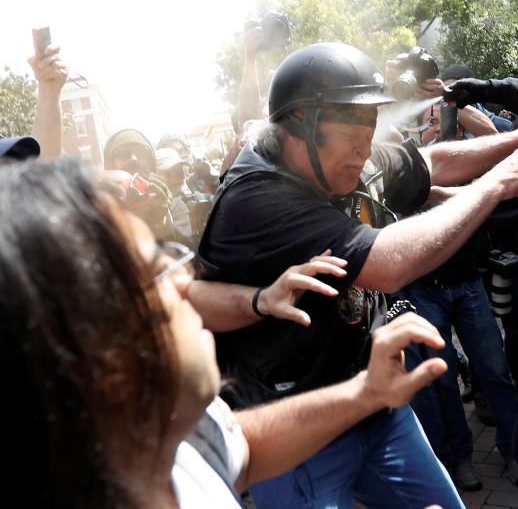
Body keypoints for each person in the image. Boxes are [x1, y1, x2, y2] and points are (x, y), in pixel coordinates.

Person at [195, 42, 518, 508]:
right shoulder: (257, 199)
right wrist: (497, 185)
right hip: (300, 430)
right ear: (303, 122)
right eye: (353, 128)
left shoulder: (340, 159)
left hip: (373, 401)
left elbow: (428, 164)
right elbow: (387, 264)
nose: (367, 144)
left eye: (370, 125)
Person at [0, 157, 450, 508]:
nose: (182, 279)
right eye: (150, 271)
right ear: (83, 353)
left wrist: (366, 393)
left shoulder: (170, 437)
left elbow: (242, 447)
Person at [400, 103, 518, 491]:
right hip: (425, 292)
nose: (440, 120)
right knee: (443, 380)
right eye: (433, 115)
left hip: (469, 286)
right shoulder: (408, 167)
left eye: (445, 113)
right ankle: (459, 459)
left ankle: (514, 451)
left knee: (494, 370)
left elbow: (498, 168)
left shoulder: (469, 154)